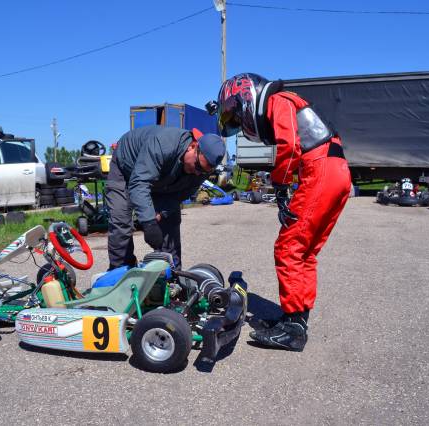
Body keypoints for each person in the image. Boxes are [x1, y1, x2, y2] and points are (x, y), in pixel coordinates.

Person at [208, 73, 351, 351]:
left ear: (246, 96)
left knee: (288, 248)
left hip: (321, 169)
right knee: (305, 251)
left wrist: (281, 187)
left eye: (236, 115)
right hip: (336, 170)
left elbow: (289, 145)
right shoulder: (288, 101)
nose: (239, 122)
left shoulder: (278, 100)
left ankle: (293, 330)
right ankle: (296, 319)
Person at [105, 125, 225, 270]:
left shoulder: (202, 169)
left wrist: (161, 212)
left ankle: (171, 272)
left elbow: (179, 196)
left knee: (170, 220)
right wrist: (149, 222)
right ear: (192, 147)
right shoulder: (163, 144)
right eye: (198, 166)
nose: (198, 173)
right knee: (121, 220)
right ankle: (120, 270)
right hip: (126, 168)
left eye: (203, 171)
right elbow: (139, 183)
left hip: (159, 177)